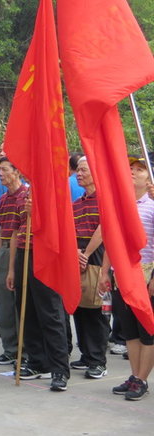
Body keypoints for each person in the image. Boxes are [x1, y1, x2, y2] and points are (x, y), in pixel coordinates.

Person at [6, 171, 71, 392]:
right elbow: (15, 232)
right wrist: (12, 269)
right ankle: (37, 361)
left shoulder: (55, 198)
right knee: (27, 310)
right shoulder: (24, 196)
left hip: (46, 257)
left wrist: (40, 214)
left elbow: (62, 230)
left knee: (50, 315)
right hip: (24, 255)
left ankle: (60, 369)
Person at [100, 156, 154, 400]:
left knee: (147, 331)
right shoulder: (121, 206)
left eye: (140, 169)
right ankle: (134, 376)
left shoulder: (152, 206)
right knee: (129, 331)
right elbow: (112, 241)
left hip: (145, 273)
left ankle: (143, 379)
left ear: (149, 177)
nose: (133, 172)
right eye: (130, 168)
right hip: (122, 273)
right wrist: (104, 271)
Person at [70, 157, 109, 380]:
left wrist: (85, 254)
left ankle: (97, 360)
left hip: (98, 254)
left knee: (96, 308)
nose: (79, 173)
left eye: (84, 170)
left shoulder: (104, 199)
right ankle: (85, 354)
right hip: (79, 253)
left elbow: (104, 228)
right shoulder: (77, 202)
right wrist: (76, 252)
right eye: (78, 170)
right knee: (80, 305)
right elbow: (71, 229)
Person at [0, 157, 24, 365]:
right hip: (4, 249)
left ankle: (26, 350)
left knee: (21, 303)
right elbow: (2, 228)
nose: (0, 174)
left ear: (17, 171)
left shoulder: (27, 196)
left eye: (4, 170)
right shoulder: (3, 199)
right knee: (3, 303)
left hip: (23, 250)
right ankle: (10, 348)